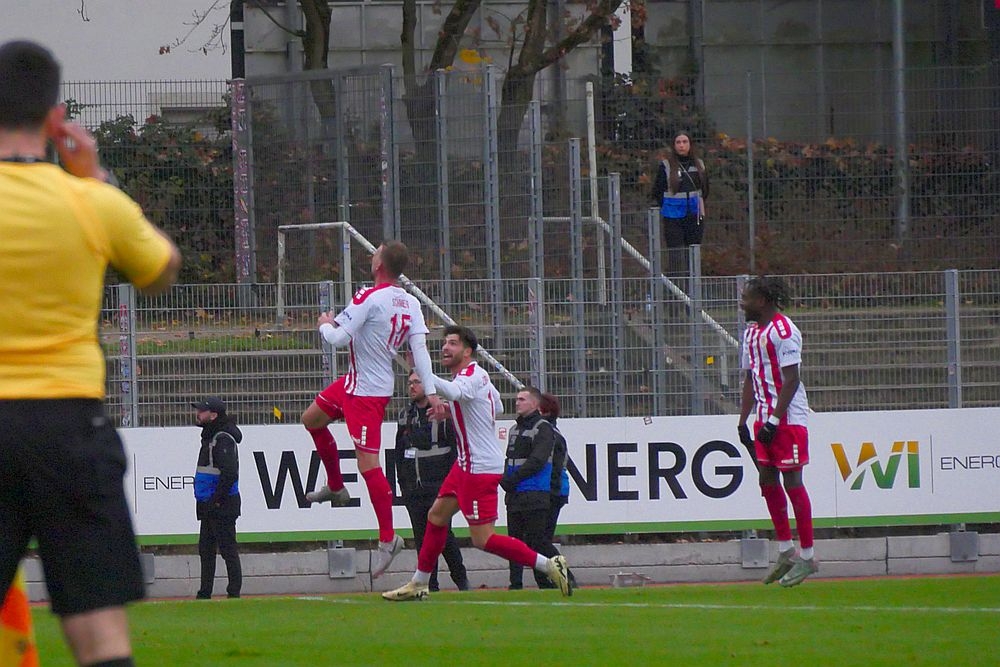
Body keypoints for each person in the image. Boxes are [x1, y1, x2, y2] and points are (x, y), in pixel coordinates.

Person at [0, 40, 181, 667]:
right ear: (56, 116)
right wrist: (97, 178)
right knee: (100, 635)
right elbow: (161, 269)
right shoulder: (92, 203)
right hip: (69, 426)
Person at [382, 326, 571, 601]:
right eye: (445, 342)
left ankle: (549, 565)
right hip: (465, 464)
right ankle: (420, 582)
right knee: (436, 517)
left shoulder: (471, 376)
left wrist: (423, 371)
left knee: (483, 539)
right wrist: (454, 411)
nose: (445, 347)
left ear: (467, 351)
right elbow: (497, 406)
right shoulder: (477, 376)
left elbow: (454, 392)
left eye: (453, 343)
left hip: (478, 468)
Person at [301, 240, 443, 579]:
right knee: (312, 420)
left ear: (380, 264)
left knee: (368, 464)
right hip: (357, 382)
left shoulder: (369, 296)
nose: (372, 255)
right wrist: (432, 392)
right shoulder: (410, 302)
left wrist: (324, 323)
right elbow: (420, 352)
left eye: (375, 252)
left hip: (366, 392)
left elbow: (336, 339)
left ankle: (388, 538)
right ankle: (336, 486)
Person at [737, 276, 818, 588]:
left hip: (788, 418)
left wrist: (774, 420)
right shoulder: (751, 332)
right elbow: (749, 378)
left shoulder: (784, 331)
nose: (742, 303)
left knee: (793, 482)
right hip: (764, 417)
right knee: (766, 479)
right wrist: (743, 420)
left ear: (762, 301)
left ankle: (808, 557)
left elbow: (792, 379)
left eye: (746, 298)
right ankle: (786, 550)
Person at [392, 372, 469, 592]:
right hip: (414, 490)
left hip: (439, 487)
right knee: (421, 538)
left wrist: (452, 485)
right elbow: (399, 452)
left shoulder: (443, 414)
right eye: (409, 383)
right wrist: (403, 485)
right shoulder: (405, 415)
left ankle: (461, 579)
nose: (412, 386)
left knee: (443, 536)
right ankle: (429, 584)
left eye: (417, 382)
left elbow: (456, 451)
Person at [503, 387, 559, 591]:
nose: (517, 402)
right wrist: (506, 479)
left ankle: (556, 577)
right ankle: (515, 584)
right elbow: (510, 459)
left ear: (535, 404)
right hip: (515, 494)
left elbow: (537, 460)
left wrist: (512, 479)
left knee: (537, 542)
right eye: (517, 399)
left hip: (535, 493)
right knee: (513, 543)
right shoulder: (514, 429)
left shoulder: (543, 428)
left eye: (522, 399)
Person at [192, 397, 243, 600]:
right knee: (206, 550)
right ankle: (205, 592)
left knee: (227, 549)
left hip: (221, 503)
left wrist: (216, 500)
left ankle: (233, 592)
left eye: (201, 411)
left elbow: (229, 474)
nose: (197, 414)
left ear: (213, 415)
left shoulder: (222, 439)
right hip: (210, 503)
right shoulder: (212, 436)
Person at [651, 131, 709, 270]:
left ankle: (693, 282)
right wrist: (668, 205)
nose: (681, 145)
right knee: (675, 255)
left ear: (690, 144)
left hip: (694, 215)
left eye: (685, 142)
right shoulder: (666, 166)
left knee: (693, 254)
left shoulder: (699, 164)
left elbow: (705, 189)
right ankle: (675, 283)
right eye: (678, 142)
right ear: (674, 145)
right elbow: (658, 190)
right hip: (673, 216)